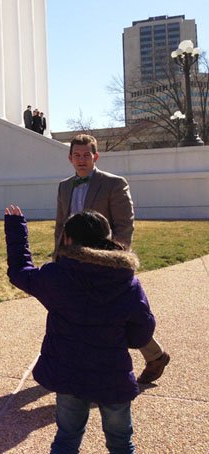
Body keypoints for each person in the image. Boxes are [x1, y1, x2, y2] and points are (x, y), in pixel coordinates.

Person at [5, 206, 156, 453]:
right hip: (113, 372)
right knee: (120, 440)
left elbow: (20, 272)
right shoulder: (127, 281)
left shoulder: (57, 275)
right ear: (108, 239)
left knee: (67, 436)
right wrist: (119, 339)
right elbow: (143, 329)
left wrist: (15, 228)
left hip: (69, 372)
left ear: (68, 239)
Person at [55, 134, 170, 384]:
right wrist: (58, 258)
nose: (82, 159)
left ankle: (155, 356)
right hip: (73, 262)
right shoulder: (64, 186)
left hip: (104, 263)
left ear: (96, 156)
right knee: (74, 314)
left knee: (118, 314)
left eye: (87, 155)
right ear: (70, 158)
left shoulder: (114, 183)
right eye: (77, 155)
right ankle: (76, 364)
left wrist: (115, 261)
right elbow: (61, 225)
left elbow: (124, 226)